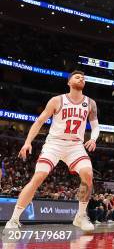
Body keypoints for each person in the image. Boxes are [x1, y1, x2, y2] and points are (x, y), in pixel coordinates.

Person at [4, 71, 99, 232]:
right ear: (69, 82)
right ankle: (13, 220)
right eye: (77, 77)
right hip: (54, 144)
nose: (81, 79)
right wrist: (27, 142)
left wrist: (93, 138)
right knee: (38, 177)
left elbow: (95, 125)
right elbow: (40, 121)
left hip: (75, 146)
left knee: (88, 175)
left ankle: (80, 216)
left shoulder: (90, 103)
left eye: (83, 78)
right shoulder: (57, 100)